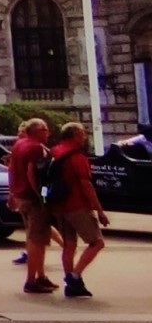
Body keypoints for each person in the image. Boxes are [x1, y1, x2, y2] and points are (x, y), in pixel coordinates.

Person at [48, 122, 108, 298]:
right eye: (83, 133)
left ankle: (69, 280)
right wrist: (100, 210)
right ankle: (75, 277)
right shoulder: (77, 156)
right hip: (77, 205)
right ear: (76, 135)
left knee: (69, 244)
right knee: (97, 242)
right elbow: (86, 185)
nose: (85, 137)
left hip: (59, 204)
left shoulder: (55, 152)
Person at [5, 117, 56, 294]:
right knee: (36, 240)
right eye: (45, 129)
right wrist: (42, 198)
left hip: (21, 197)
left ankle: (41, 276)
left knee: (35, 238)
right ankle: (31, 280)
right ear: (38, 131)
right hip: (32, 199)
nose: (48, 133)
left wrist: (12, 193)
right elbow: (32, 174)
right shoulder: (35, 148)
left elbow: (11, 169)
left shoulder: (19, 145)